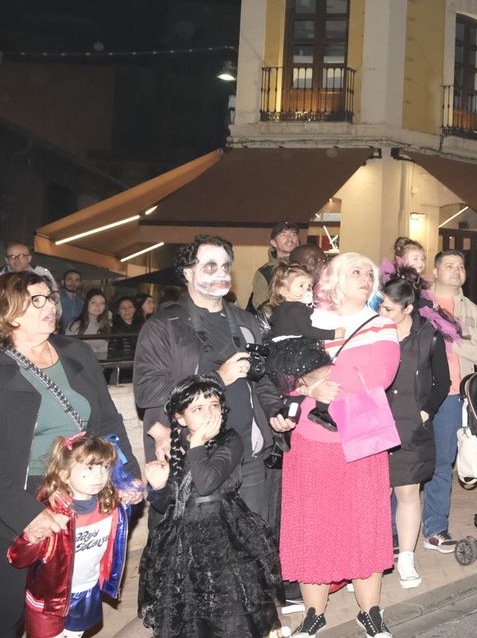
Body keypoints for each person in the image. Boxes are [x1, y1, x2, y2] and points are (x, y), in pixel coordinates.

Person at [0, 272, 143, 634]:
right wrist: (27, 514)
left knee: (65, 609)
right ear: (9, 312)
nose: (50, 305)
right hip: (22, 499)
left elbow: (109, 419)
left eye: (50, 297)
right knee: (11, 611)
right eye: (37, 300)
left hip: (81, 495)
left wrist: (126, 474)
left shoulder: (74, 351)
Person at [280, 252, 400, 638]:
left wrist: (314, 377)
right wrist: (303, 384)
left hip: (361, 434)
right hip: (311, 438)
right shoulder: (307, 322)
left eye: (369, 273)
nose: (366, 278)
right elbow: (278, 368)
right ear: (333, 279)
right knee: (312, 522)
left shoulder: (382, 325)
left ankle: (371, 612)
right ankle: (314, 614)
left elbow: (379, 375)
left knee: (364, 521)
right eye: (355, 272)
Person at [132, 235, 285, 521]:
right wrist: (217, 378)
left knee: (252, 550)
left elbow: (261, 380)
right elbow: (147, 389)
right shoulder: (164, 325)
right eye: (210, 266)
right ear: (188, 273)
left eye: (226, 266)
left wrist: (275, 411)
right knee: (196, 555)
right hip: (195, 458)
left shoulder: (247, 322)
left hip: (248, 455)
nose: (221, 273)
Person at [139, 376, 280, 638]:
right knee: (190, 618)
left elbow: (206, 483)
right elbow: (169, 502)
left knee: (228, 616)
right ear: (180, 418)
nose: (209, 413)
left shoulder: (230, 440)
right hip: (182, 544)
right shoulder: (175, 445)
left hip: (222, 538)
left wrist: (197, 444)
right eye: (198, 408)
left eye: (214, 405)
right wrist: (158, 489)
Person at [7, 434, 141, 638]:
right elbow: (17, 558)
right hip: (48, 601)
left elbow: (117, 534)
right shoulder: (49, 513)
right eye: (89, 468)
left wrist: (130, 499)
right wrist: (34, 536)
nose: (99, 476)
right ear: (64, 474)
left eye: (105, 467)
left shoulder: (109, 507)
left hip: (87, 591)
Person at [376, 277, 448, 590]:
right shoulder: (373, 332)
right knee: (375, 495)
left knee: (407, 494)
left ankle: (406, 557)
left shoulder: (430, 335)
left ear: (408, 308)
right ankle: (372, 559)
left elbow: (441, 382)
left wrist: (425, 412)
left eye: (389, 307)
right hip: (376, 424)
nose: (382, 311)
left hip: (412, 425)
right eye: (380, 304)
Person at [419, 249, 477, 555]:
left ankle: (435, 528)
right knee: (405, 465)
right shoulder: (418, 302)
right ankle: (394, 533)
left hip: (450, 395)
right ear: (435, 271)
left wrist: (455, 339)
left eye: (461, 266)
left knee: (442, 461)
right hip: (416, 393)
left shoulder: (472, 310)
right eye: (449, 266)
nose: (456, 270)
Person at [247, 222, 302, 312]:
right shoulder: (264, 272)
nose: (289, 238)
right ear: (274, 243)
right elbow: (261, 306)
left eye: (293, 234)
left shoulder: (306, 267)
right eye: (283, 235)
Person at [65, 290, 111, 362]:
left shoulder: (105, 325)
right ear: (86, 304)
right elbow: (68, 349)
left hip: (101, 367)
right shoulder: (75, 325)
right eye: (93, 302)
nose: (98, 306)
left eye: (102, 303)